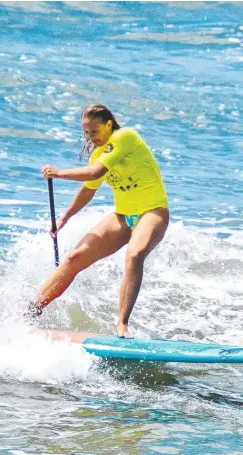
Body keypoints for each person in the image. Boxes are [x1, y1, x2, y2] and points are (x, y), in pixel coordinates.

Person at [27, 103, 169, 338]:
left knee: (134, 255)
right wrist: (64, 218)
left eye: (94, 131)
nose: (89, 137)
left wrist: (59, 173)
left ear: (109, 125)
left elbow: (95, 173)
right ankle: (30, 310)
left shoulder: (125, 136)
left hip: (152, 211)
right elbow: (88, 190)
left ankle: (122, 324)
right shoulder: (97, 155)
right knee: (74, 257)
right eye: (85, 132)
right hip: (123, 216)